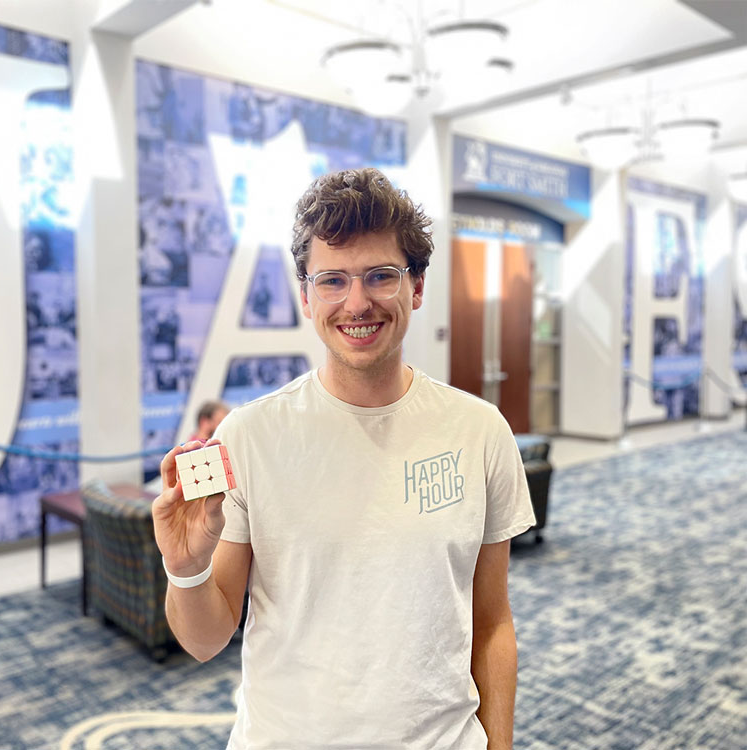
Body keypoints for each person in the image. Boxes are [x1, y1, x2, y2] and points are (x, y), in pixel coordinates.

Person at [152, 167, 535, 749]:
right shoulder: (249, 436)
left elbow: (492, 624)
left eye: (381, 275)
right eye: (332, 280)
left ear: (417, 287)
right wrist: (187, 568)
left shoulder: (479, 431)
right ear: (307, 296)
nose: (357, 303)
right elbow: (204, 642)